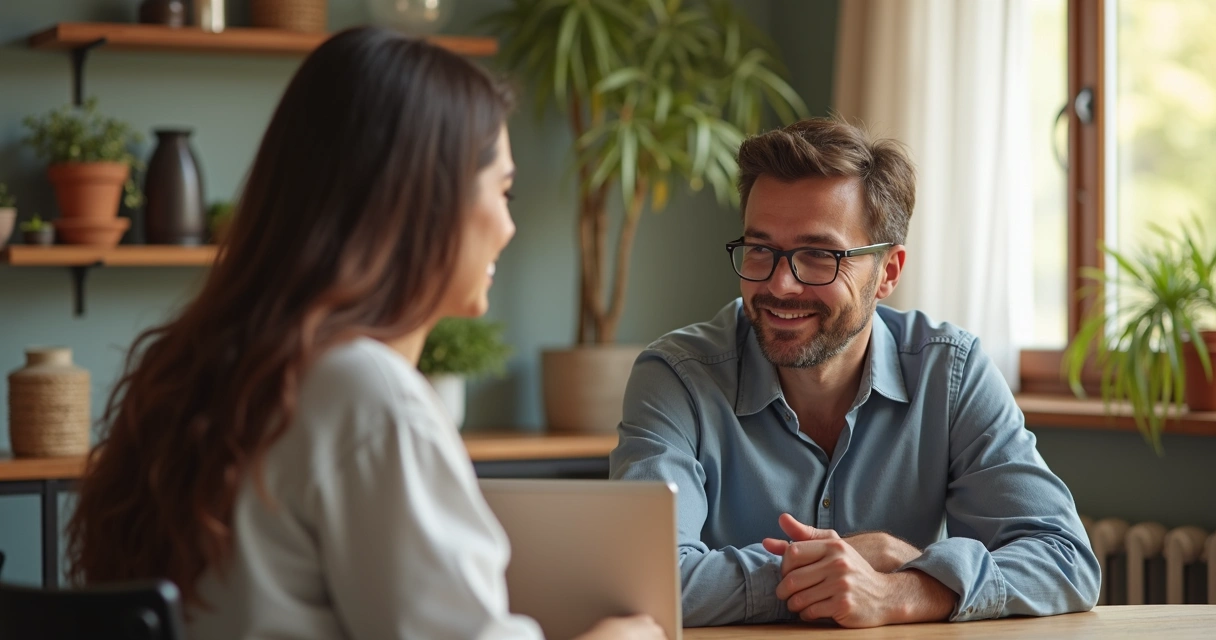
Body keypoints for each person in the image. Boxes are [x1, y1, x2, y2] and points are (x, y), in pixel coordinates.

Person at [65, 27, 662, 640]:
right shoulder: (365, 394)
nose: (509, 227)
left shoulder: (192, 370)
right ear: (427, 198)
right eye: (503, 191)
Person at [609, 118, 1101, 628]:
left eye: (818, 255)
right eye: (760, 249)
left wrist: (903, 591)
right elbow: (645, 583)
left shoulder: (949, 373)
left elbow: (1065, 560)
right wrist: (836, 571)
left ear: (888, 271)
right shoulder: (677, 378)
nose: (780, 284)